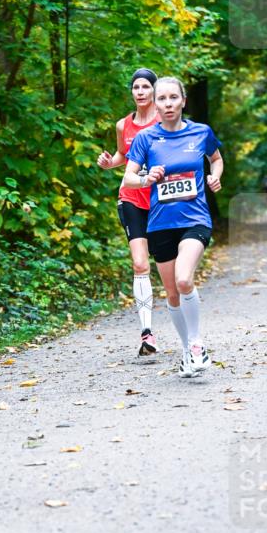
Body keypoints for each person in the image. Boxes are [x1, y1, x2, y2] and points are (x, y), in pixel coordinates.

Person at [123, 76, 223, 379]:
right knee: (172, 294)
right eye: (162, 99)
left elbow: (216, 159)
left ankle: (197, 344)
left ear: (183, 101)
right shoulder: (146, 138)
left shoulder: (201, 132)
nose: (168, 104)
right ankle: (187, 352)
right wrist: (147, 178)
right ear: (156, 104)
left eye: (173, 98)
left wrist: (214, 176)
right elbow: (128, 178)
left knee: (183, 280)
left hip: (195, 219)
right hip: (160, 224)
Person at [97, 68, 160, 357]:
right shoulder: (124, 124)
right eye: (136, 87)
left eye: (146, 86)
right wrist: (109, 163)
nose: (140, 92)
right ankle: (147, 333)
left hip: (162, 200)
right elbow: (124, 155)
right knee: (139, 264)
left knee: (171, 268)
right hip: (132, 197)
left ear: (154, 90)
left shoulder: (165, 120)